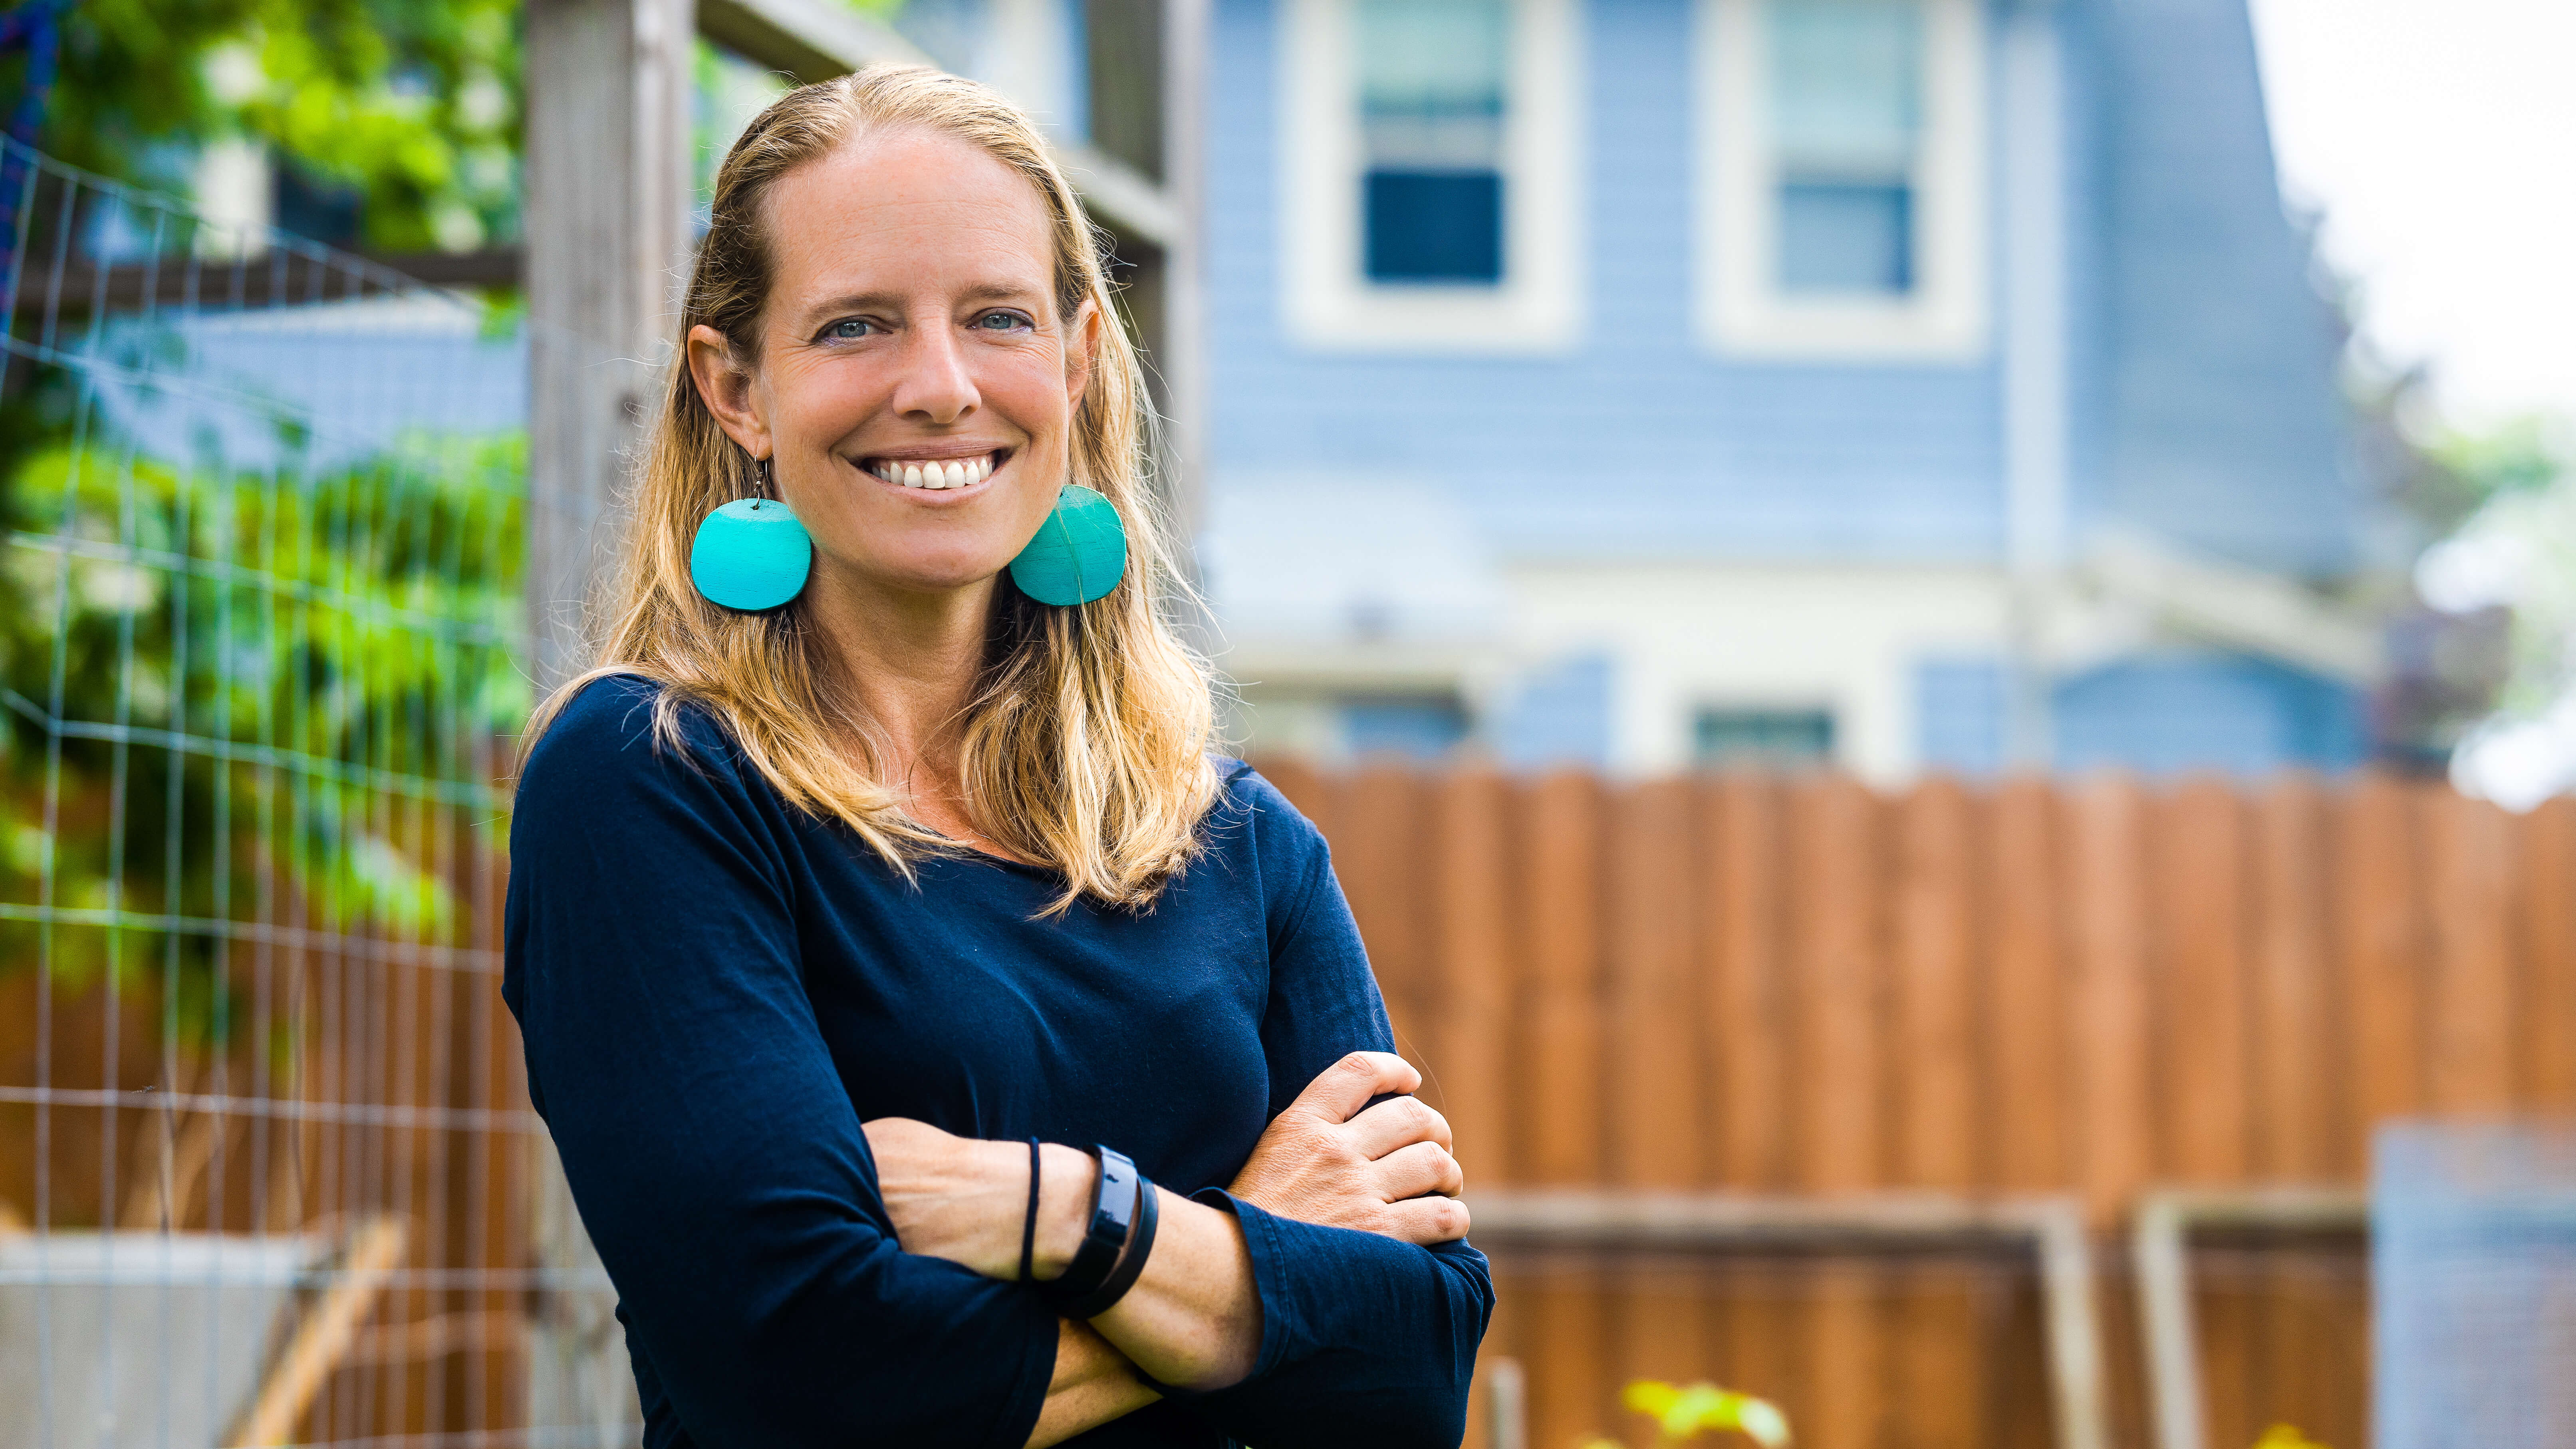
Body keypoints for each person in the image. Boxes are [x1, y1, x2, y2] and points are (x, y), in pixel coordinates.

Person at [501, 64, 1493, 1448]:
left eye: (997, 318)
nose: (939, 386)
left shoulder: (1228, 834)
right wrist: (1256, 1249)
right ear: (736, 389)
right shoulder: (649, 784)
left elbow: (1411, 1374)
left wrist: (1064, 1214)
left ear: (1078, 363)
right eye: (855, 326)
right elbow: (809, 1381)